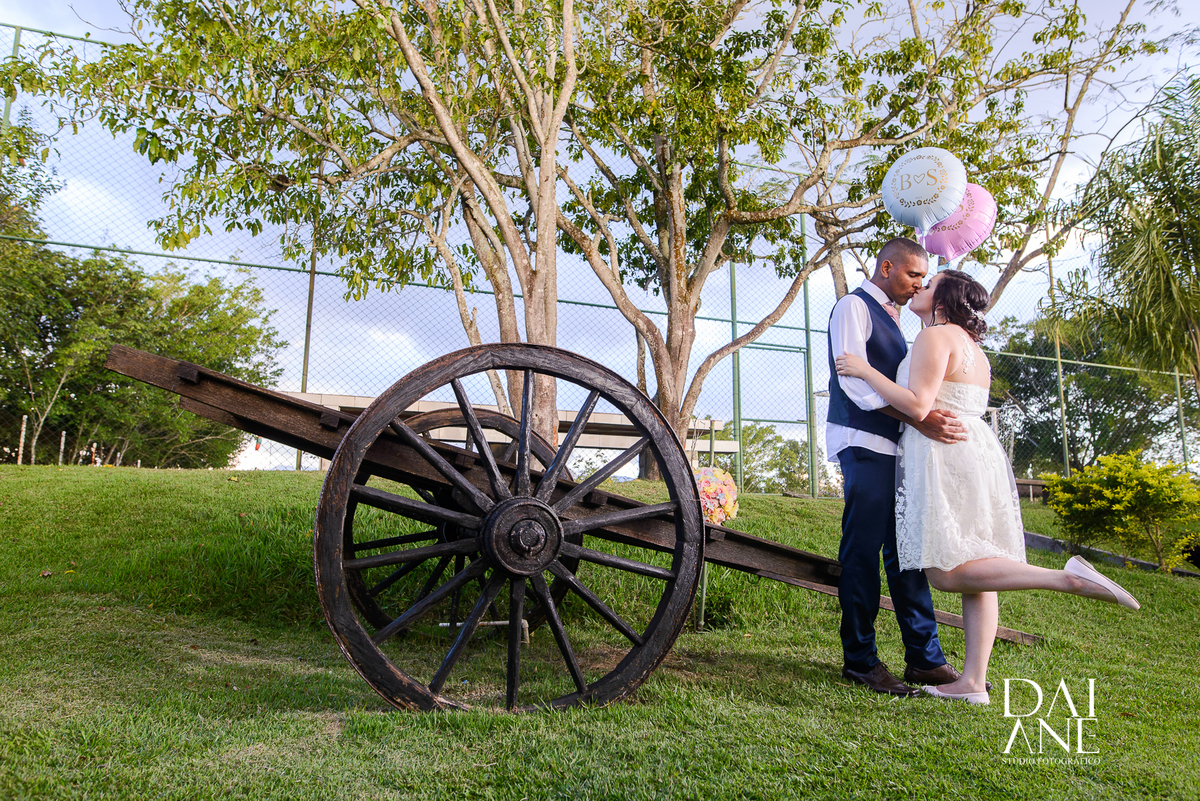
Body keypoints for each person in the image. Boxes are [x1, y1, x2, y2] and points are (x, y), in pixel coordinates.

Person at [835, 268, 1140, 706]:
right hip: (977, 452)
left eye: (931, 281)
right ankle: (973, 682)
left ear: (944, 299)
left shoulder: (935, 336)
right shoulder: (973, 347)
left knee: (945, 571)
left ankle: (1064, 577)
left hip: (943, 455)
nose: (920, 286)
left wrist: (864, 369)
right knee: (980, 565)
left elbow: (920, 404)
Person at [826, 238, 969, 698]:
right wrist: (919, 419)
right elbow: (855, 386)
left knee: (906, 553)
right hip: (863, 442)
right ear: (886, 267)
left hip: (895, 448)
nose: (919, 285)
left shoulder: (898, 319)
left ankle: (924, 660)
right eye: (913, 275)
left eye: (924, 279)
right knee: (864, 551)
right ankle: (860, 661)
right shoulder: (853, 307)